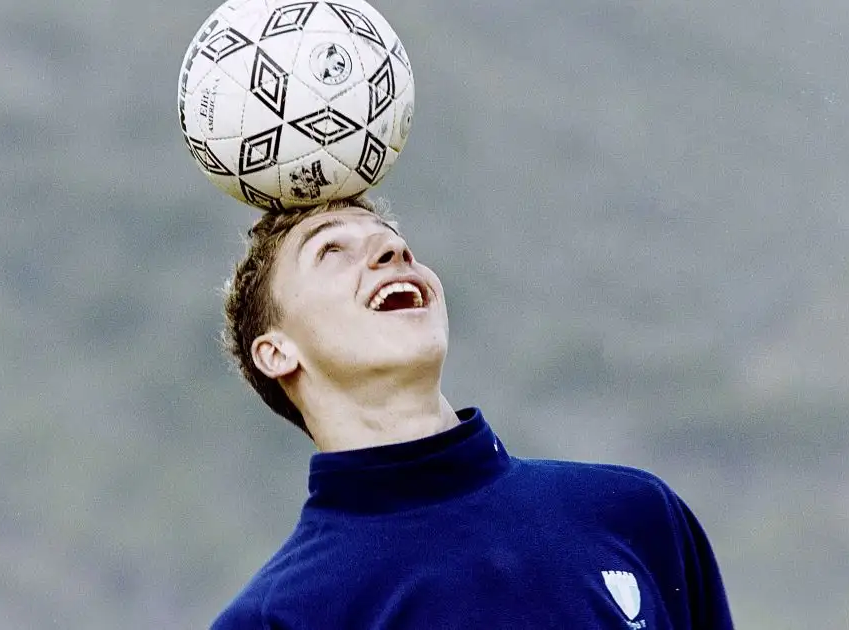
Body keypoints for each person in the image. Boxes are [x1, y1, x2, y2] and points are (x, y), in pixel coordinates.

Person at [211, 196, 734, 629]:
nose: (393, 249)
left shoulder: (635, 515)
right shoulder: (276, 619)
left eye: (392, 238)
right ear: (276, 352)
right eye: (330, 251)